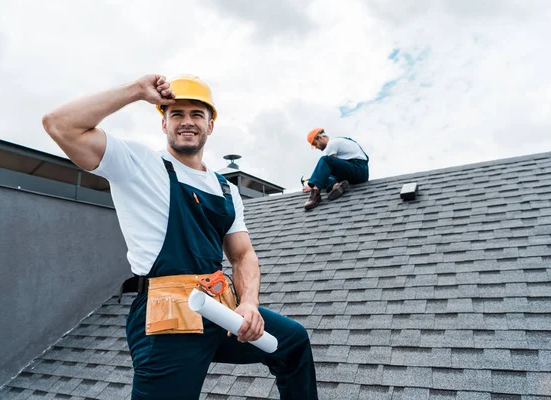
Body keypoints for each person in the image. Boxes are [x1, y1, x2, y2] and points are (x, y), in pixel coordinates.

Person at [42, 73, 318, 400]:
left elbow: (242, 255)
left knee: (293, 341)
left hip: (218, 308)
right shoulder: (138, 164)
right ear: (164, 124)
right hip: (167, 317)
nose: (187, 122)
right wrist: (135, 91)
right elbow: (59, 123)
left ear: (210, 125)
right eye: (177, 114)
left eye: (196, 114)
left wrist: (248, 304)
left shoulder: (225, 189)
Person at [302, 128, 369, 210]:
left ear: (320, 138)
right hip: (356, 172)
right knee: (323, 176)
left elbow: (330, 169)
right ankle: (336, 186)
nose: (316, 147)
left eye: (315, 144)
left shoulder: (331, 144)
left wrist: (312, 185)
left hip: (359, 168)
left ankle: (315, 193)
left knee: (325, 160)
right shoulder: (338, 141)